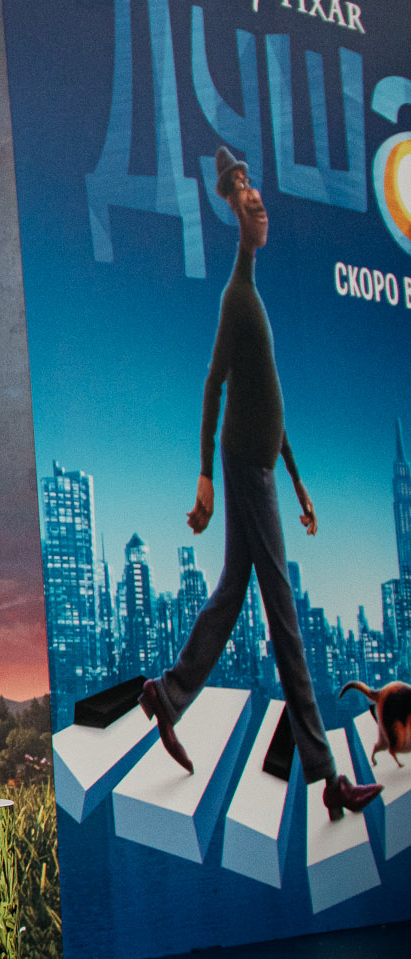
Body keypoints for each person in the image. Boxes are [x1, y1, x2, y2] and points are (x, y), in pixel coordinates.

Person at [140, 148, 381, 820]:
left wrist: (299, 484)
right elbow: (213, 385)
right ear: (229, 206)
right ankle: (329, 779)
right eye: (242, 190)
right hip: (244, 469)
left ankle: (168, 693)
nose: (256, 198)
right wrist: (205, 476)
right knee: (285, 618)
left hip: (263, 468)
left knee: (232, 591)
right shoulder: (237, 299)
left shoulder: (253, 299)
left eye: (255, 187)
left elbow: (271, 404)